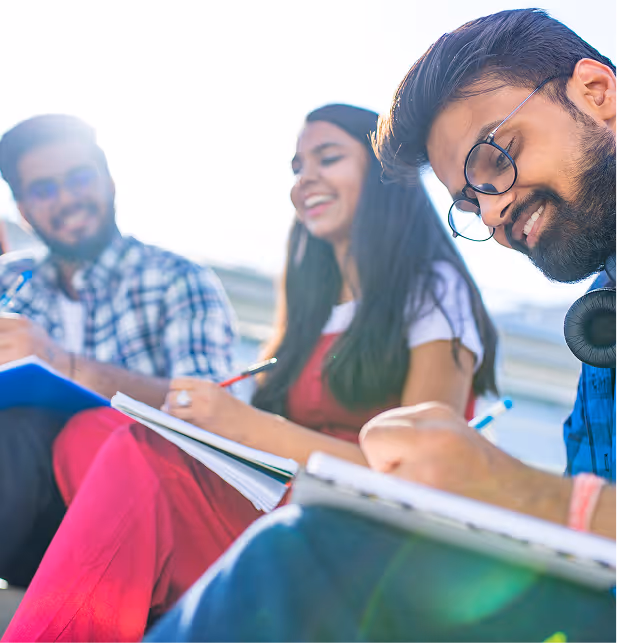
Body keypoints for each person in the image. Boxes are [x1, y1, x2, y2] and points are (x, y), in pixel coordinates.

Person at [143, 9, 617, 642]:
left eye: (494, 158)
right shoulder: (599, 315)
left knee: (302, 555)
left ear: (596, 93)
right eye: (469, 203)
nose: (495, 209)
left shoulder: (435, 296)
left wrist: (518, 491)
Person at [2, 104, 497, 641]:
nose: (305, 180)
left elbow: (423, 480)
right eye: (296, 168)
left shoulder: (432, 289)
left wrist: (241, 422)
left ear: (384, 176)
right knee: (89, 435)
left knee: (132, 451)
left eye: (327, 158)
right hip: (278, 504)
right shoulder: (310, 306)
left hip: (350, 534)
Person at [0, 115, 236, 587]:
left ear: (109, 182)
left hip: (136, 515)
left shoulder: (178, 280)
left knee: (25, 428)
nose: (66, 199)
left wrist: (62, 365)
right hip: (23, 514)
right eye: (44, 190)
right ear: (24, 211)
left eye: (78, 178)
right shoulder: (11, 281)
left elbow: (213, 419)